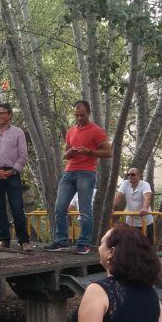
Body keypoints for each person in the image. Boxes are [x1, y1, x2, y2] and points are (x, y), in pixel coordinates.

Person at [45, 101, 112, 254]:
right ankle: (61, 241)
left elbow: (108, 153)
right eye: (76, 115)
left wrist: (89, 152)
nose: (79, 118)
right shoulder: (71, 131)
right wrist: (67, 154)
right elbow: (66, 152)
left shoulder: (97, 131)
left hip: (87, 172)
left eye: (82, 115)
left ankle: (84, 244)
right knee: (59, 207)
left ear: (89, 112)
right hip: (69, 172)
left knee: (85, 209)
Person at [0, 103, 31, 252]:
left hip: (12, 174)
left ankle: (24, 241)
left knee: (17, 208)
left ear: (9, 115)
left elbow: (23, 156)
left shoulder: (18, 132)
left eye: (2, 113)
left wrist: (11, 171)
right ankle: (4, 240)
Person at [113, 168, 155, 243]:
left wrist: (145, 208)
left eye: (133, 174)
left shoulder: (145, 184)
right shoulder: (125, 183)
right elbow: (119, 196)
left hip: (145, 221)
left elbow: (148, 196)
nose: (130, 176)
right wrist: (111, 207)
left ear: (139, 176)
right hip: (131, 221)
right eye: (128, 174)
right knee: (131, 245)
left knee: (147, 245)